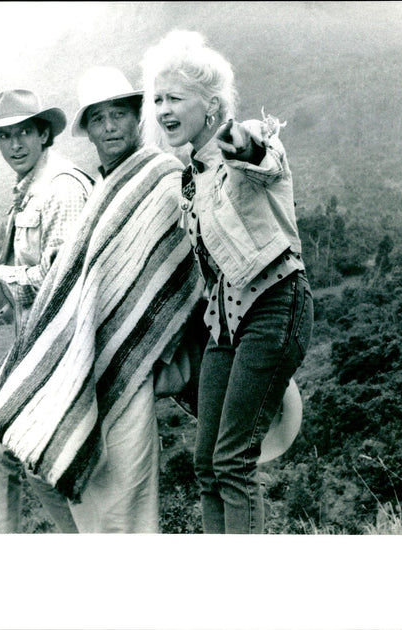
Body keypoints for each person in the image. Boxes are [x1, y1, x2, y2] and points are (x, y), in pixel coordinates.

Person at [0, 66, 203, 533]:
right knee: (42, 462)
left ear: (139, 116)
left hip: (123, 357)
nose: (110, 127)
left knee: (119, 499)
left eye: (120, 114)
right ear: (85, 128)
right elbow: (78, 277)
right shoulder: (104, 186)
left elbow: (168, 270)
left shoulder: (155, 178)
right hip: (73, 353)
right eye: (99, 118)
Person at [141, 30, 314, 534]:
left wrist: (239, 136)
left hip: (275, 303)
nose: (163, 110)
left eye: (174, 98)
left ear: (211, 104)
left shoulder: (244, 140)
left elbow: (263, 158)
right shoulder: (188, 178)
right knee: (207, 464)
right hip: (224, 323)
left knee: (234, 460)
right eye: (157, 99)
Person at [0, 89, 93, 533]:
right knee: (0, 452)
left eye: (23, 132)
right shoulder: (30, 190)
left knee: (23, 456)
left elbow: (63, 283)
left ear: (44, 133)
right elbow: (36, 269)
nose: (14, 145)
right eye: (4, 136)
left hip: (63, 352)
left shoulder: (62, 189)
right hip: (36, 348)